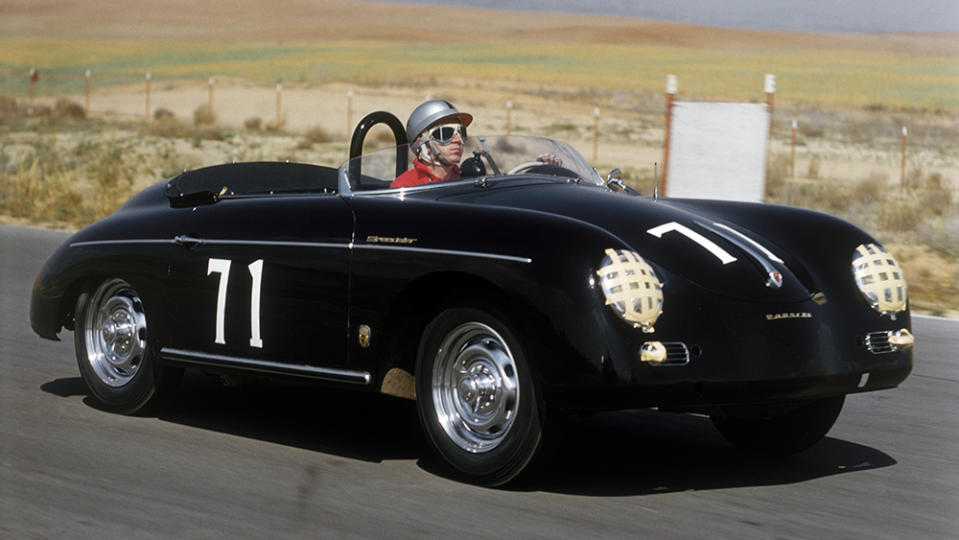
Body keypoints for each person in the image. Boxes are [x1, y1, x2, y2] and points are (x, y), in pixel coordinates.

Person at [391, 99, 473, 188]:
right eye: (445, 134)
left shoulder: (471, 180)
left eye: (461, 132)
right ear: (421, 142)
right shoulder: (405, 186)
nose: (458, 140)